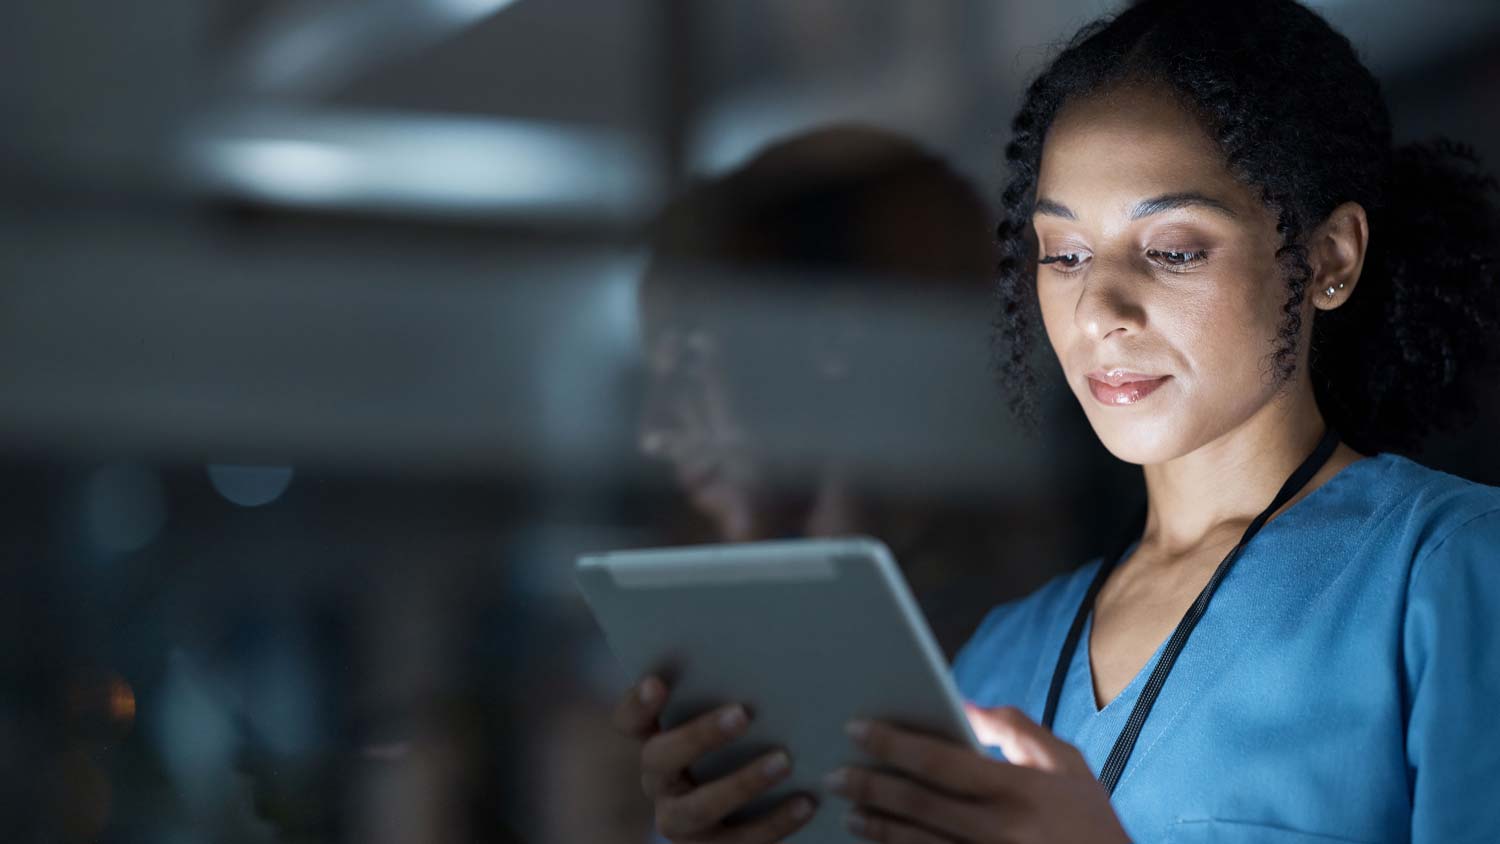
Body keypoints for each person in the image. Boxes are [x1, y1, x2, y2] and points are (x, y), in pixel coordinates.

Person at [611, 1, 1500, 842]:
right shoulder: (1004, 657)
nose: (1098, 307)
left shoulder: (1449, 574)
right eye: (1065, 254)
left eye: (1173, 251)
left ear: (1327, 259)